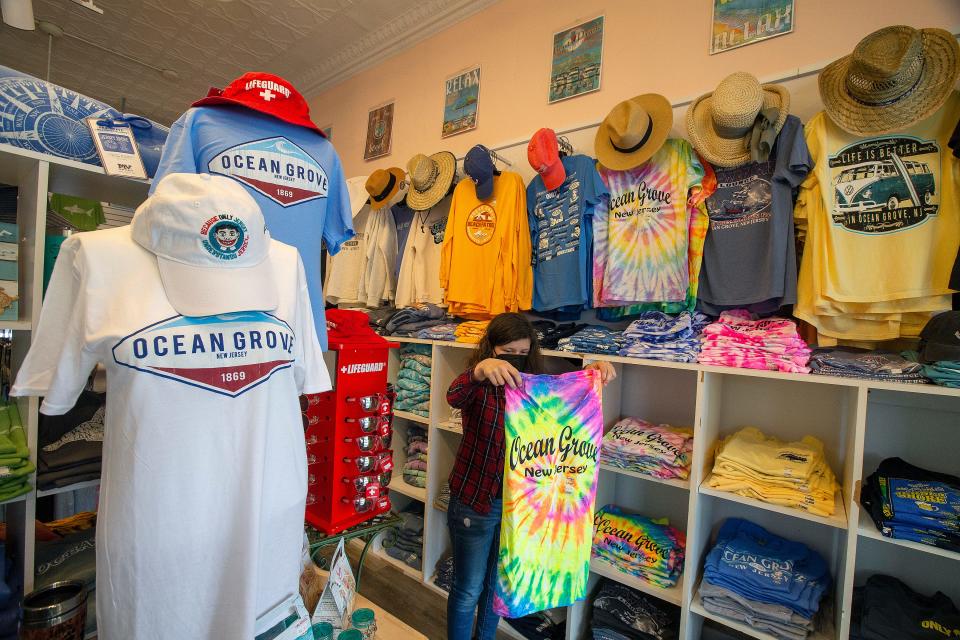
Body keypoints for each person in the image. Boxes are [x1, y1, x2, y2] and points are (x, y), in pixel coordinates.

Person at [445, 312, 616, 639]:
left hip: (519, 510)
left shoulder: (533, 390)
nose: (515, 359)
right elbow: (453, 395)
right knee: (467, 589)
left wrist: (593, 373)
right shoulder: (479, 384)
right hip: (475, 500)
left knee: (497, 587)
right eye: (507, 351)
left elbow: (564, 395)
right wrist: (480, 370)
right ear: (491, 347)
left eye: (523, 353)